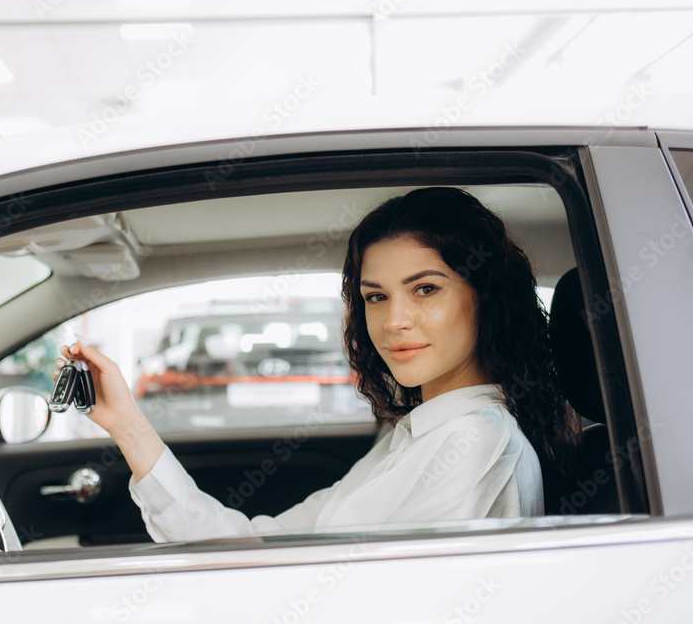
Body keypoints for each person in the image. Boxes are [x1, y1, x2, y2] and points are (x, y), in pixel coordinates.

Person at [55, 187, 580, 542]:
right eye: (376, 297)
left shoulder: (475, 440)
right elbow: (260, 547)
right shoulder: (417, 435)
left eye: (425, 290)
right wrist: (126, 423)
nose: (394, 320)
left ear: (485, 298)